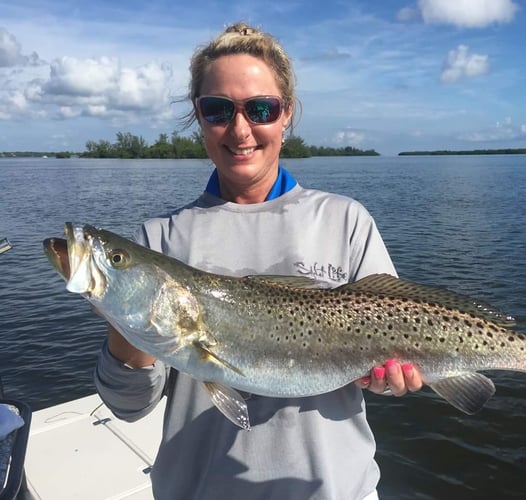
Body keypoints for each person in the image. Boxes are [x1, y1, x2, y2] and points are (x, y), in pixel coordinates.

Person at [94, 21, 422, 500]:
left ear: (286, 114)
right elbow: (127, 407)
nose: (240, 129)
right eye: (218, 110)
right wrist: (125, 322)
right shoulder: (158, 241)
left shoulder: (345, 220)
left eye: (261, 109)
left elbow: (388, 367)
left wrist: (390, 381)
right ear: (199, 117)